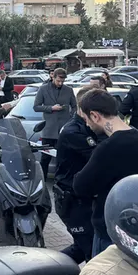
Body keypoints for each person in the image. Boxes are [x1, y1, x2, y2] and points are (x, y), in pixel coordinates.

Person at [73, 89, 138, 257]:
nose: (87, 124)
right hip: (137, 225)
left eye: (87, 119)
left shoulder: (108, 147)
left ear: (95, 116)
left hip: (110, 229)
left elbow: (81, 186)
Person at [54, 87, 100, 264]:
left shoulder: (86, 126)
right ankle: (49, 270)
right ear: (82, 109)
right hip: (72, 199)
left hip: (83, 197)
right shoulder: (74, 131)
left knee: (84, 247)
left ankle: (49, 270)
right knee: (89, 248)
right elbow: (98, 157)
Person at [33, 68, 76, 181]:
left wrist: (71, 116)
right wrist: (51, 108)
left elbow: (75, 106)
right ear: (53, 77)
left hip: (63, 130)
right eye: (58, 81)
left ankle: (60, 181)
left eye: (62, 81)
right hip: (48, 130)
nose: (60, 83)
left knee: (62, 159)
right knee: (45, 158)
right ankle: (42, 180)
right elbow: (36, 107)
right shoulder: (43, 89)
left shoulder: (68, 90)